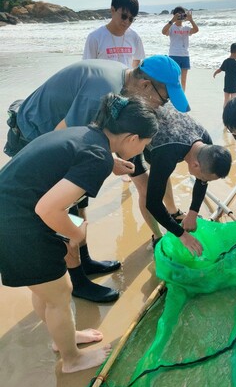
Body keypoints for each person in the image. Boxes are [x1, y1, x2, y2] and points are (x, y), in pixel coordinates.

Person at [3, 55, 189, 303]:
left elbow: (87, 139)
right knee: (56, 211)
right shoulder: (100, 92)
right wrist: (102, 161)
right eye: (162, 99)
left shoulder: (121, 81)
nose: (158, 107)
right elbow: (68, 139)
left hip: (59, 139)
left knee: (78, 203)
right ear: (145, 85)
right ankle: (74, 280)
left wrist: (108, 160)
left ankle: (84, 262)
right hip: (35, 135)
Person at [0, 94, 158, 373]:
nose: (141, 151)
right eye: (144, 145)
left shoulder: (87, 134)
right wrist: (76, 234)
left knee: (47, 289)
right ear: (132, 138)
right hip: (18, 224)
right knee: (60, 294)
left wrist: (110, 163)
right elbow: (48, 208)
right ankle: (72, 359)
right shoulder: (97, 156)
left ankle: (66, 339)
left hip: (10, 211)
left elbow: (71, 159)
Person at [136, 106, 231, 255]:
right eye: (203, 178)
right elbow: (152, 203)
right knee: (146, 189)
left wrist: (193, 212)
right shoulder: (166, 154)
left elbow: (202, 181)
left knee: (161, 176)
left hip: (163, 128)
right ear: (195, 165)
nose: (202, 181)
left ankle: (173, 212)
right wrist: (182, 234)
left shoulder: (207, 144)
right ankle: (157, 236)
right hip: (133, 133)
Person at [83, 0, 145, 68]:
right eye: (124, 16)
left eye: (131, 19)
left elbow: (137, 60)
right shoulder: (95, 37)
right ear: (112, 10)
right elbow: (87, 68)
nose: (127, 21)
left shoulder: (135, 38)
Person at [161, 6, 199, 91]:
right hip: (174, 54)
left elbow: (196, 30)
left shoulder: (186, 28)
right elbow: (163, 32)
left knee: (183, 79)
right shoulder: (171, 27)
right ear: (174, 15)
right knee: (174, 78)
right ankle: (173, 96)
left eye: (182, 15)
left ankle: (182, 96)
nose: (180, 17)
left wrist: (191, 20)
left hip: (185, 55)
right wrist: (172, 21)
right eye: (178, 15)